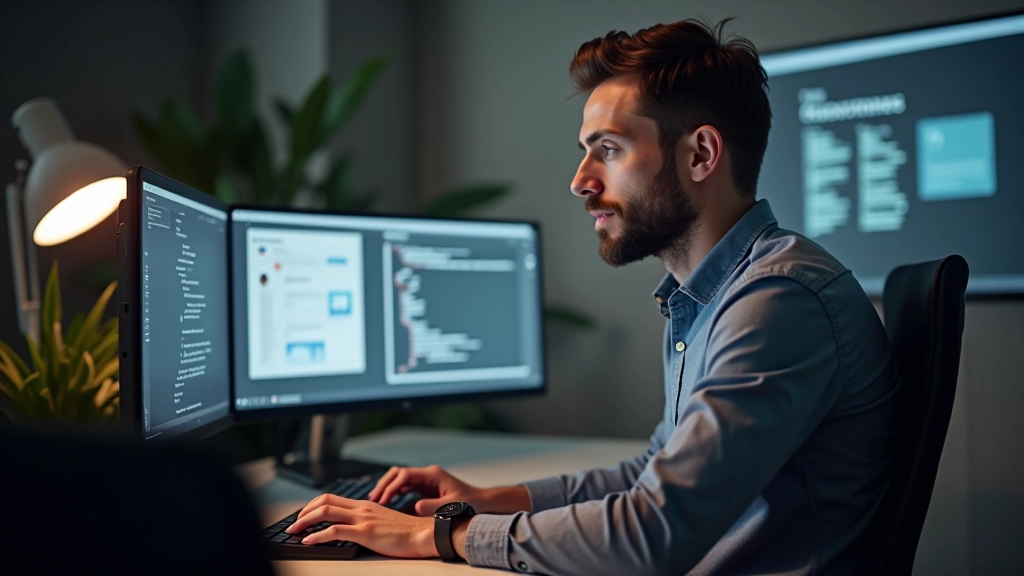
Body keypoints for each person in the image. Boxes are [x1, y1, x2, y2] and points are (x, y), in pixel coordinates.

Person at [285, 18, 899, 575]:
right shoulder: (711, 296)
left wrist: (441, 538)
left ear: (701, 154)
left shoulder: (775, 301)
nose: (581, 180)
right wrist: (478, 501)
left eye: (608, 149)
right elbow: (649, 476)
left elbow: (654, 532)